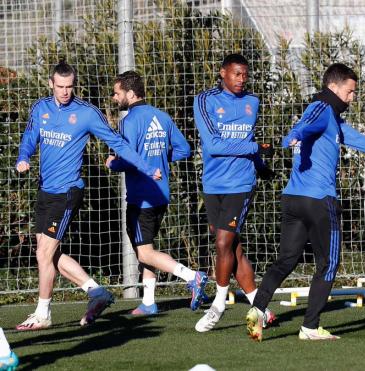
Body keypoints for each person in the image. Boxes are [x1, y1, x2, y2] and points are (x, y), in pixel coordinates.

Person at [246, 62, 365, 342]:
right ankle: (310, 327)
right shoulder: (322, 109)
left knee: (286, 260)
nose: (353, 97)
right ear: (333, 87)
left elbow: (360, 141)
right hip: (319, 200)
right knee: (329, 263)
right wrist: (295, 135)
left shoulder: (333, 119)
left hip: (294, 199)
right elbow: (306, 125)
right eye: (350, 91)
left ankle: (257, 310)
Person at [15, 61, 162, 330]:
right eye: (60, 86)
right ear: (51, 84)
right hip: (45, 191)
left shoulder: (86, 113)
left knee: (43, 253)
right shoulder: (40, 109)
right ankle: (96, 291)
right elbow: (29, 138)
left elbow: (117, 144)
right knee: (50, 254)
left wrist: (147, 167)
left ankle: (43, 313)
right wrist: (23, 157)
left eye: (69, 86)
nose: (65, 92)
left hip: (68, 191)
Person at [105, 70, 209, 315]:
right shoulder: (162, 117)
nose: (114, 97)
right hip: (161, 195)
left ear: (130, 94)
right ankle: (149, 303)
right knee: (148, 250)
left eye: (117, 93)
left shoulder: (129, 122)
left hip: (141, 198)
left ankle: (191, 276)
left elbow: (129, 160)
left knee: (145, 251)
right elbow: (184, 149)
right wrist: (160, 159)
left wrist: (113, 164)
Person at [193, 53, 275, 332]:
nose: (241, 79)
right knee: (233, 250)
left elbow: (248, 141)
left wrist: (260, 165)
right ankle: (259, 307)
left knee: (222, 244)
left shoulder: (252, 102)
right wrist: (256, 150)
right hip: (214, 184)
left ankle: (218, 305)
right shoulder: (205, 101)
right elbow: (214, 145)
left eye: (245, 74)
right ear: (222, 73)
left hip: (241, 184)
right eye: (236, 74)